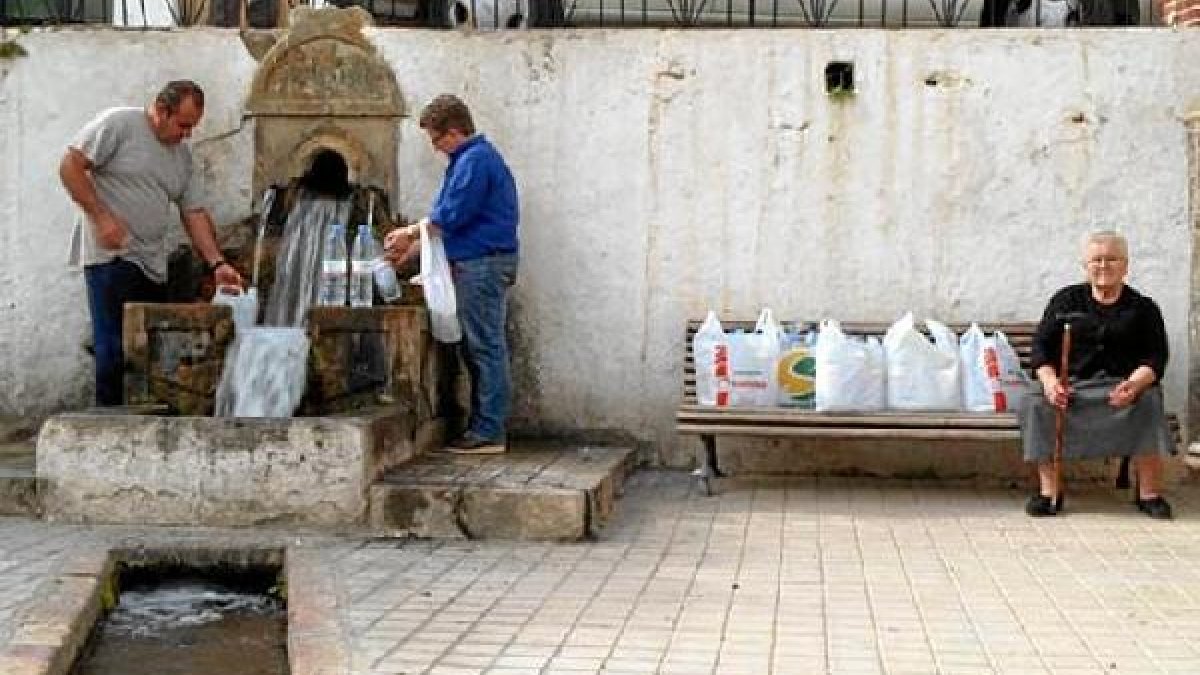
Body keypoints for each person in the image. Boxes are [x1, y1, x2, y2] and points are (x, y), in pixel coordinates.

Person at [60, 80, 243, 407]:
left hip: (152, 264)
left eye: (193, 127)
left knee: (149, 351)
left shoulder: (182, 157)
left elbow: (194, 212)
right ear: (161, 110)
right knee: (114, 346)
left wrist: (218, 263)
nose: (187, 134)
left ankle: (142, 422)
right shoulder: (119, 124)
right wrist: (102, 219)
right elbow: (70, 166)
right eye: (183, 125)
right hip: (111, 257)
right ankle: (109, 421)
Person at [384, 94, 519, 455]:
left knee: (485, 346)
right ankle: (483, 427)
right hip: (479, 263)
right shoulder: (469, 160)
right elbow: (448, 223)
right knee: (479, 346)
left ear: (454, 131)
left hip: (483, 265)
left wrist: (409, 235)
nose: (435, 148)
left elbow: (452, 216)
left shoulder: (475, 161)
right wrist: (411, 252)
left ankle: (488, 432)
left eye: (436, 139)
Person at [1021, 230, 1174, 519]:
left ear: (1126, 266)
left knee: (1150, 401)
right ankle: (1049, 491)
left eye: (1112, 259)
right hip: (1073, 387)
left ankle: (1149, 493)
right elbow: (1040, 347)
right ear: (1086, 266)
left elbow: (1156, 356)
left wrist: (1134, 384)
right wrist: (1051, 383)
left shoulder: (1143, 308)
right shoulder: (1065, 301)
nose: (1104, 266)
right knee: (1036, 404)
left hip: (1121, 388)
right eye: (1097, 260)